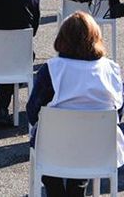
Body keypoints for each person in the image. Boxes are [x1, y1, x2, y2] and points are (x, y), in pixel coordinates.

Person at [26, 11, 124, 197]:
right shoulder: (111, 70)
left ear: (62, 38)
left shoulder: (52, 69)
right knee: (86, 141)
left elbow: (33, 110)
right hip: (99, 151)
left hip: (55, 149)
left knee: (46, 142)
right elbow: (118, 113)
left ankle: (56, 192)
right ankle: (76, 189)